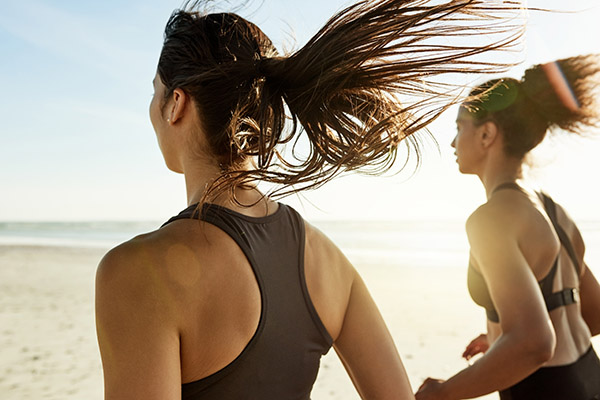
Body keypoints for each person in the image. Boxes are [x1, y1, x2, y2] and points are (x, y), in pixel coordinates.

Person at [94, 1, 525, 399]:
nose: (152, 108)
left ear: (176, 104)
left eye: (155, 92)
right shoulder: (325, 258)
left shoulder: (137, 272)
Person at [416, 54, 600, 400]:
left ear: (487, 134)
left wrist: (440, 393)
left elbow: (533, 343)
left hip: (544, 391)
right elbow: (595, 311)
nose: (453, 143)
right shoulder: (553, 210)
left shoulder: (490, 219)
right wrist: (502, 343)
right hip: (590, 375)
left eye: (459, 127)